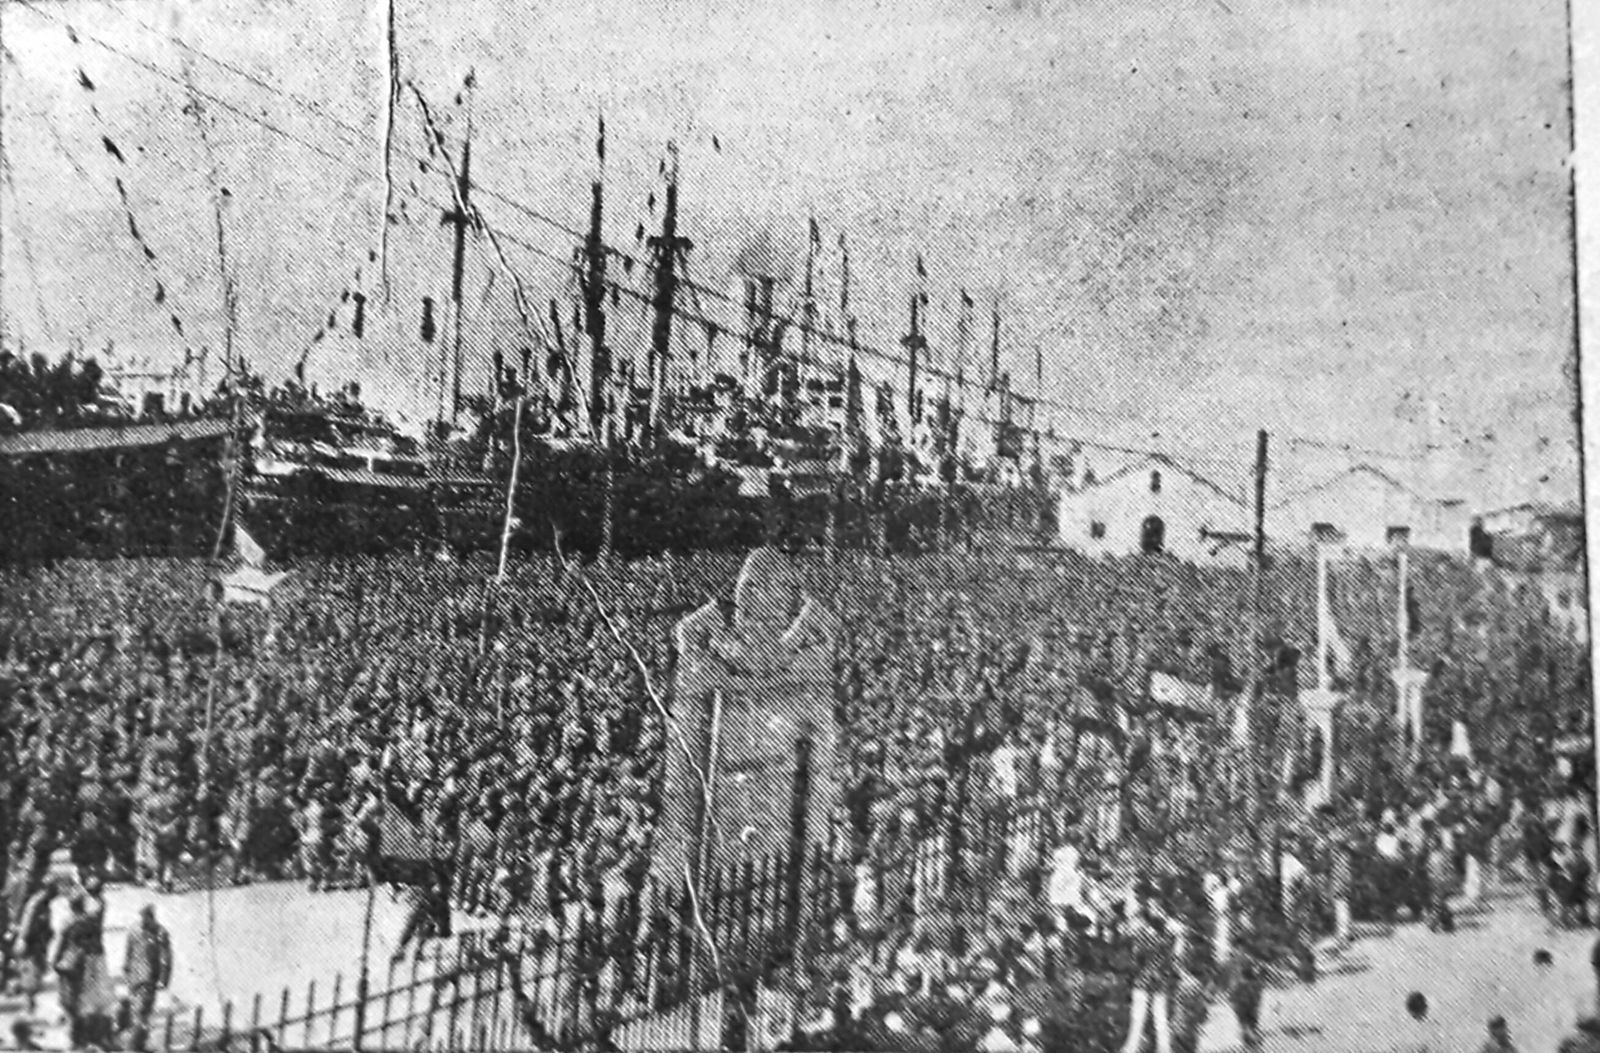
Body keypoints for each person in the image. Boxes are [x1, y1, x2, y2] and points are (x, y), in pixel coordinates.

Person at [123, 904, 173, 1050]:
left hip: (146, 979)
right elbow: (128, 952)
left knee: (141, 1012)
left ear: (152, 917)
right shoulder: (135, 930)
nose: (143, 921)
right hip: (137, 978)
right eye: (142, 917)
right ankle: (135, 1047)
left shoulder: (160, 932)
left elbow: (166, 958)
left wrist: (164, 979)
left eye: (146, 917)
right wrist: (126, 971)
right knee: (140, 1012)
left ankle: (138, 1044)